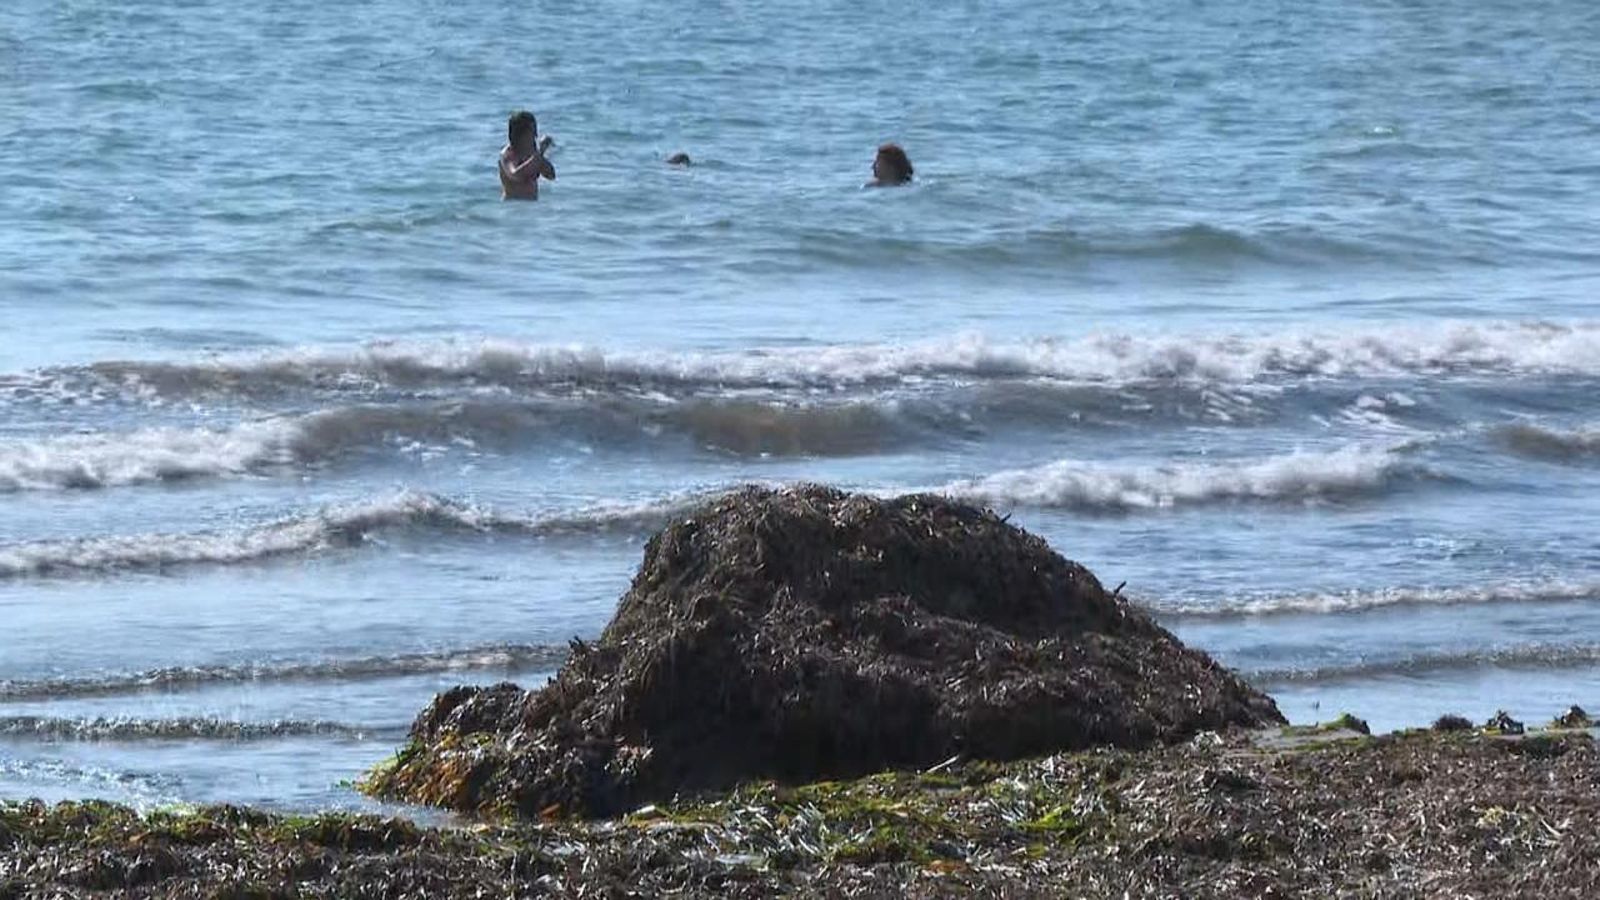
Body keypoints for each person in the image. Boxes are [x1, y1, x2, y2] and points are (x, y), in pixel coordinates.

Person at [499, 110, 556, 200]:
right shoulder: (508, 154)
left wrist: (541, 155)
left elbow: (551, 175)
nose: (535, 136)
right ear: (520, 134)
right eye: (532, 132)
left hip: (531, 208)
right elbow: (515, 175)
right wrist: (539, 152)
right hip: (512, 207)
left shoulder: (532, 153)